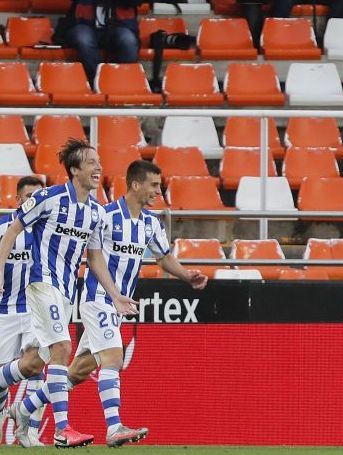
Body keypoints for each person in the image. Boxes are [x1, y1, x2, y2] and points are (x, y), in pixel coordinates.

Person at [21, 160, 209, 447]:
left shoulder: (150, 223)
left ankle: (22, 408)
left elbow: (163, 257)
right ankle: (114, 428)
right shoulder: (105, 216)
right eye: (154, 185)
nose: (159, 191)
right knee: (114, 358)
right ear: (135, 184)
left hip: (118, 304)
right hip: (97, 299)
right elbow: (86, 251)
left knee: (77, 371)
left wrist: (187, 276)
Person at [0, 139, 138, 448]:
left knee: (37, 361)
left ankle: (20, 412)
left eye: (99, 162)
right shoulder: (48, 198)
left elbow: (96, 258)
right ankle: (63, 429)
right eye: (91, 162)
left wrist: (115, 295)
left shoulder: (95, 213)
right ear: (74, 169)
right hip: (41, 284)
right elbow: (12, 230)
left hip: (65, 292)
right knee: (63, 347)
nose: (99, 167)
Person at [0, 176, 46, 447]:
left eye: (38, 197)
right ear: (17, 200)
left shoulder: (47, 233)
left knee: (38, 366)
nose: (33, 203)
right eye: (28, 197)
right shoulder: (3, 229)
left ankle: (28, 432)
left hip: (34, 312)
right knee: (3, 380)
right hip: (3, 311)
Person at [64, 0, 140, 83]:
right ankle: (97, 80)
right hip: (84, 24)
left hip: (119, 25)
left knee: (128, 40)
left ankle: (122, 81)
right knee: (83, 38)